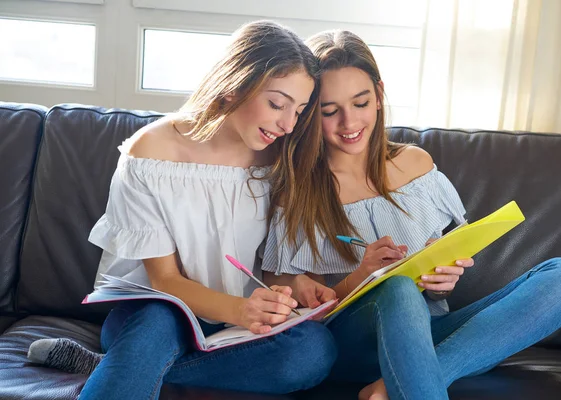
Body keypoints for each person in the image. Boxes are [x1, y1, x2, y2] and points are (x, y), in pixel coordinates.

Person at [262, 30, 561, 400]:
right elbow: (300, 318)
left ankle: (395, 385)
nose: (349, 123)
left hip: (434, 336)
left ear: (380, 95)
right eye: (329, 111)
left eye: (361, 103)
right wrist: (364, 275)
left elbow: (447, 262)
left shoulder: (416, 164)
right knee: (398, 287)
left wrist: (445, 276)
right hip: (352, 345)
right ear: (310, 113)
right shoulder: (298, 190)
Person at [26, 20, 337, 399]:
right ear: (235, 84)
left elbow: (269, 266)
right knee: (158, 321)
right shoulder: (151, 153)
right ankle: (134, 362)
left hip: (237, 327)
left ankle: (122, 367)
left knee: (314, 351)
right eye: (276, 104)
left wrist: (294, 285)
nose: (288, 124)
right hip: (154, 316)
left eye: (300, 110)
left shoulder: (281, 158)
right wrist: (239, 310)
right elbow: (165, 282)